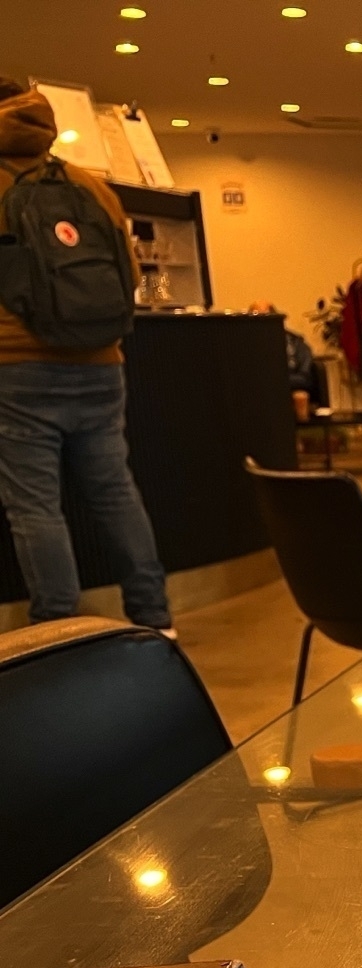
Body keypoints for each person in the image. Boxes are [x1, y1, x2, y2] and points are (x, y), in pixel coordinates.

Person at [0, 77, 172, 634]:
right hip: (101, 363)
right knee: (115, 492)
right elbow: (128, 269)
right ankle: (155, 617)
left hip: (17, 366)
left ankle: (58, 625)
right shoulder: (89, 185)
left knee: (35, 507)